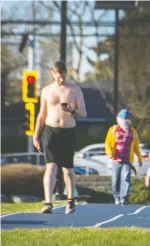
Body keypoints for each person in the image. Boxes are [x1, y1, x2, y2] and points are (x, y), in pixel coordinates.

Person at [33, 61, 87, 214]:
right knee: (50, 167)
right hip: (50, 131)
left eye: (62, 76)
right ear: (53, 73)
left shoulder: (74, 89)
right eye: (57, 76)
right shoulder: (46, 90)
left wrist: (72, 110)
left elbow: (83, 112)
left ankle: (70, 200)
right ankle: (48, 202)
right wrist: (36, 135)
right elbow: (42, 114)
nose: (60, 79)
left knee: (67, 170)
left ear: (65, 74)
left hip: (67, 132)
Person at [105, 109, 143, 205]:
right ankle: (116, 197)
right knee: (115, 180)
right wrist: (109, 153)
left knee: (126, 178)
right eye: (124, 119)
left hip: (127, 160)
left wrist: (139, 158)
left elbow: (136, 147)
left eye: (127, 119)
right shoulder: (113, 130)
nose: (126, 121)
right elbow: (107, 143)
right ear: (119, 119)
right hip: (115, 160)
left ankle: (124, 198)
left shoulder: (132, 132)